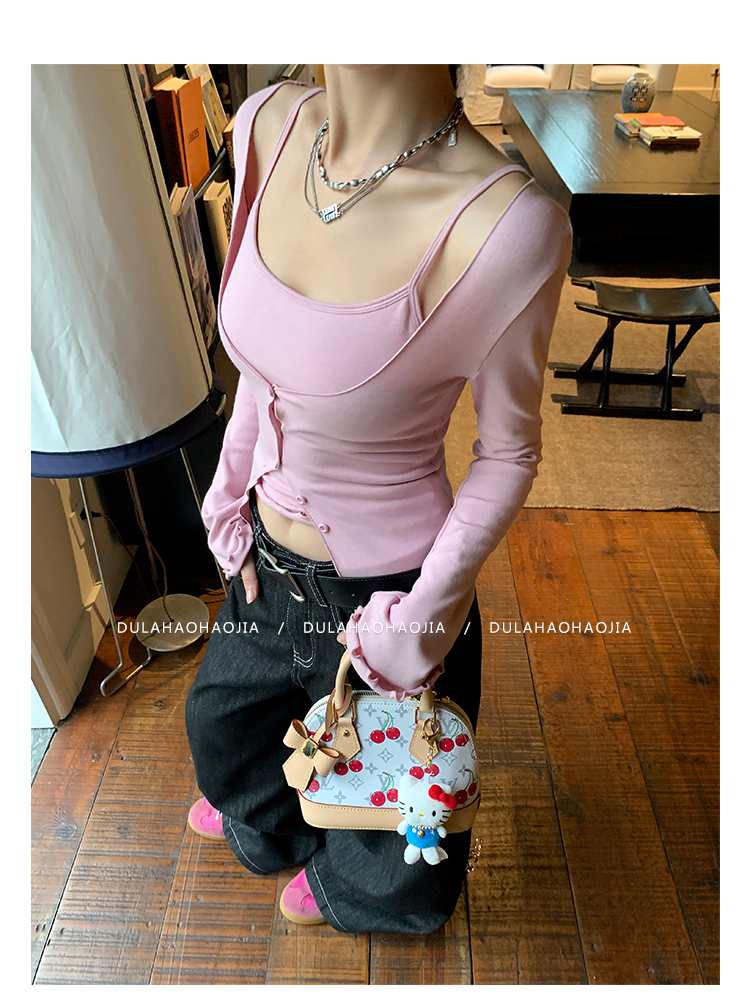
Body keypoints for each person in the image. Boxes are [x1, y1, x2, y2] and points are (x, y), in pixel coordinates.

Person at [185, 64, 572, 934]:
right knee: (222, 730)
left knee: (393, 826)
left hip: (385, 593)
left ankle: (351, 884)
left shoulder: (510, 226)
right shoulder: (264, 125)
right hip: (261, 565)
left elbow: (509, 451)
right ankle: (277, 814)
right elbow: (262, 368)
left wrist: (424, 619)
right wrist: (228, 494)